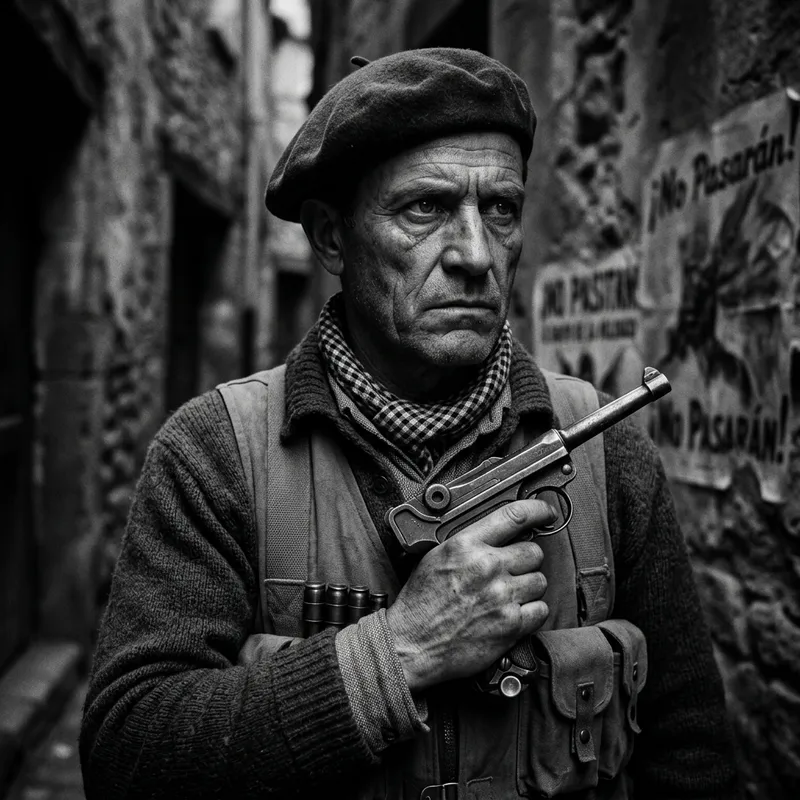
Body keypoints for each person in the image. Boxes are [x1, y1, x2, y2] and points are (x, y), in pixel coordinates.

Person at [80, 49, 741, 799]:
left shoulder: (606, 450)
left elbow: (693, 752)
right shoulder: (216, 452)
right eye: (424, 209)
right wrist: (399, 651)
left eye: (501, 210)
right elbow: (128, 753)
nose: (475, 255)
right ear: (332, 238)